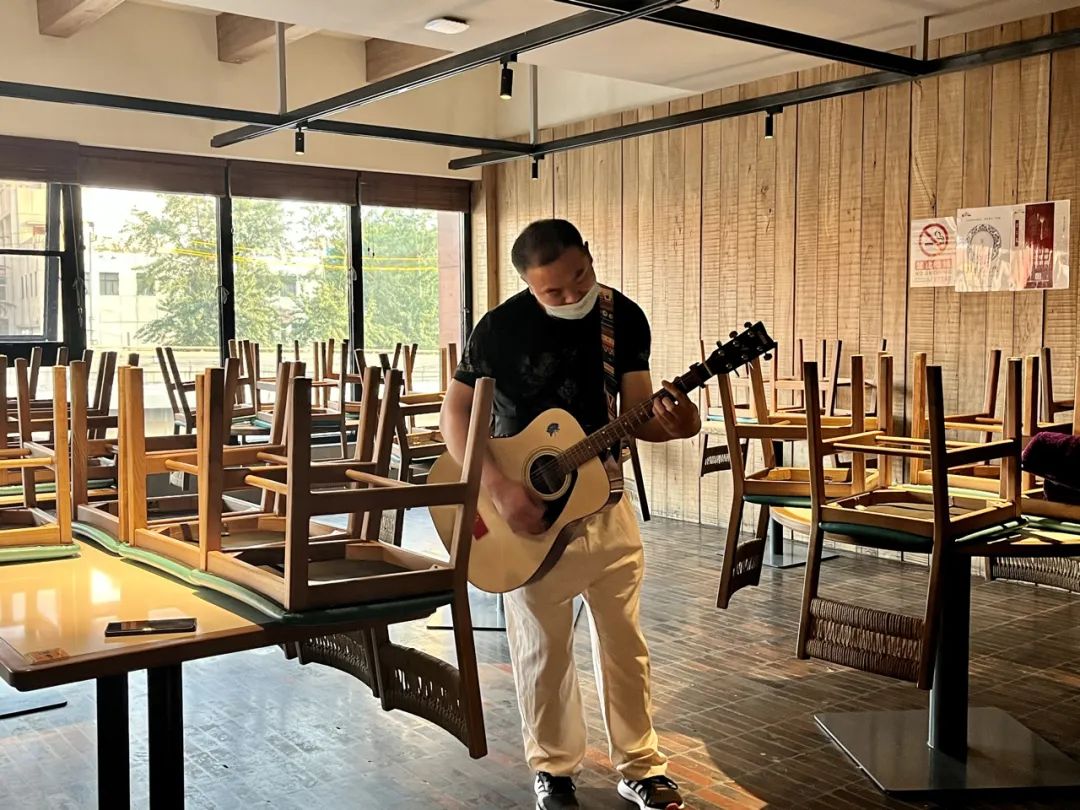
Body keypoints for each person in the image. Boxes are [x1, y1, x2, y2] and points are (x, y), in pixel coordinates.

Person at [440, 219, 700, 810]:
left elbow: (641, 414)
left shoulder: (622, 317)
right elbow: (455, 416)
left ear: (588, 254)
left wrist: (678, 422)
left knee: (626, 646)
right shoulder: (500, 329)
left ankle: (641, 765)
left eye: (578, 278)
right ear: (528, 284)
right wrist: (501, 488)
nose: (570, 295)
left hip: (606, 505)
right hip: (525, 516)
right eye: (551, 291)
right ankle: (553, 770)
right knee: (543, 652)